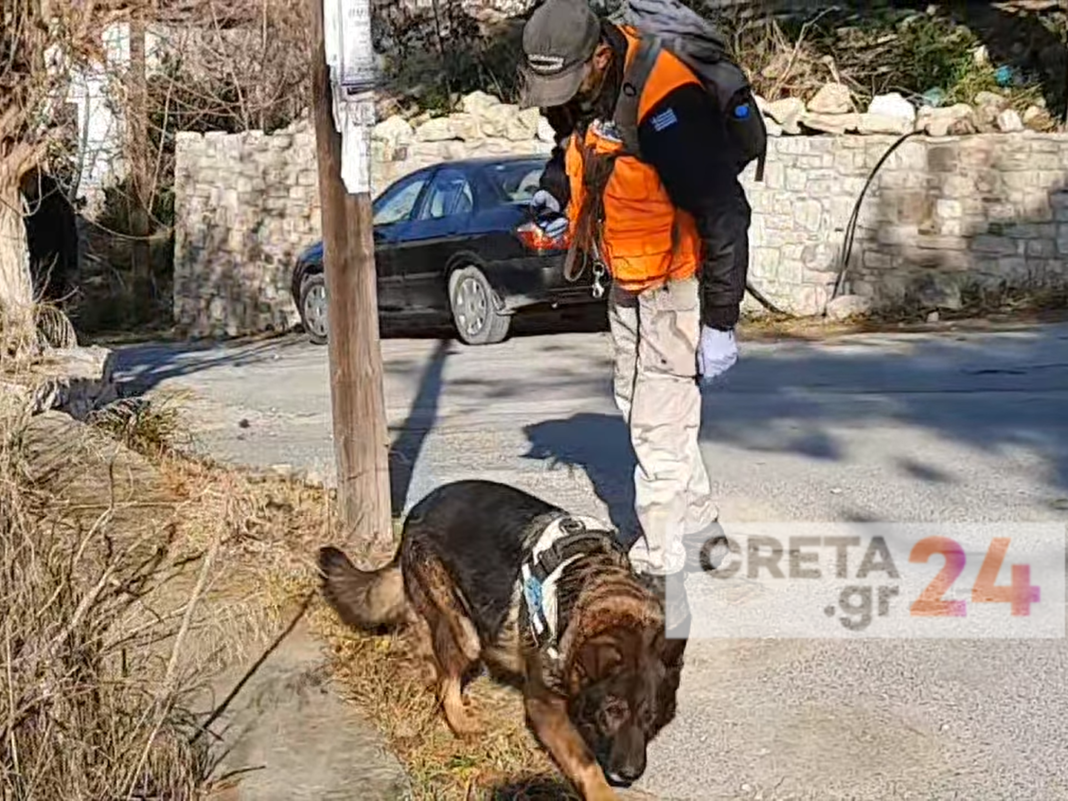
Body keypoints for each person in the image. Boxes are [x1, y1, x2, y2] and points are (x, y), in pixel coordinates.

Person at [518, 0, 751, 640]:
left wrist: (721, 320)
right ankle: (703, 525)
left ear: (598, 57)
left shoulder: (668, 103)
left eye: (565, 84)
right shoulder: (582, 87)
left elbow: (726, 212)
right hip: (626, 276)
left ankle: (661, 574)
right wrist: (554, 192)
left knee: (655, 422)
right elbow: (571, 147)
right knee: (638, 405)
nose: (555, 99)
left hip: (679, 282)